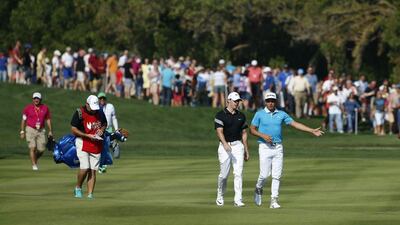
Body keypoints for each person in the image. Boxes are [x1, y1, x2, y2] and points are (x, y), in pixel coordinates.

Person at [250, 92, 323, 208]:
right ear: (265, 102)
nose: (270, 103)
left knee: (276, 175)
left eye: (272, 101)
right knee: (264, 175)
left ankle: (274, 200)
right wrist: (263, 135)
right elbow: (252, 130)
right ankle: (258, 188)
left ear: (276, 102)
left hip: (278, 147)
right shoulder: (259, 114)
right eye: (268, 101)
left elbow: (295, 124)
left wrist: (311, 130)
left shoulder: (281, 114)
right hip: (264, 147)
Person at [214, 92, 249, 207]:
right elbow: (219, 131)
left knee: (238, 173)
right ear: (228, 100)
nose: (237, 103)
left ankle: (238, 199)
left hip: (238, 146)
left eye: (238, 101)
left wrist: (246, 149)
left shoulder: (241, 115)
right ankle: (220, 195)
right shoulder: (220, 115)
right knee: (224, 175)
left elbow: (244, 133)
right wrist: (224, 144)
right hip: (225, 146)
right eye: (235, 101)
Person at [70, 95, 107, 199]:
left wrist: (102, 130)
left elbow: (104, 123)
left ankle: (90, 195)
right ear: (87, 104)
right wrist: (87, 135)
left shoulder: (99, 111)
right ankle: (78, 187)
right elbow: (73, 129)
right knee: (85, 167)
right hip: (82, 141)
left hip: (96, 144)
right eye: (91, 107)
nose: (94, 111)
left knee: (93, 170)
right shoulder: (79, 112)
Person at [20, 92, 53, 170]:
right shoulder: (28, 108)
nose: (36, 100)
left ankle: (35, 159)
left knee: (41, 149)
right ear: (32, 99)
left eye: (37, 98)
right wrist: (22, 131)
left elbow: (48, 119)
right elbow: (23, 120)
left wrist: (50, 130)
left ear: (40, 99)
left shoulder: (45, 108)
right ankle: (34, 165)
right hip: (30, 129)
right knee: (33, 147)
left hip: (41, 130)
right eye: (34, 98)